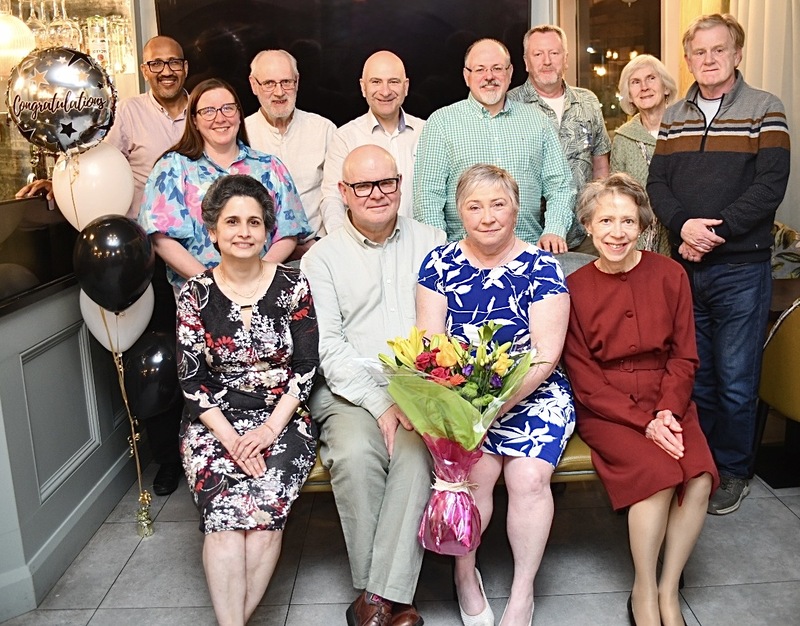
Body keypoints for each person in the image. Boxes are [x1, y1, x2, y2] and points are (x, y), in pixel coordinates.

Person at [17, 35, 191, 496]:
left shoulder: (207, 109)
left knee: (205, 355)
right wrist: (54, 182)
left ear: (186, 66)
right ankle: (167, 458)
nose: (166, 70)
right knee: (153, 356)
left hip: (199, 254)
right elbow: (92, 160)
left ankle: (206, 449)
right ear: (145, 69)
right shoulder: (127, 114)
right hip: (144, 257)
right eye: (156, 64)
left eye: (173, 62)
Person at [416, 164, 575, 626]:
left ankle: (523, 593)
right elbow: (430, 347)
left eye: (498, 205)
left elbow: (545, 356)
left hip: (534, 393)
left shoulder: (542, 267)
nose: (487, 217)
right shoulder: (438, 263)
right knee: (474, 476)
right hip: (462, 397)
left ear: (516, 209)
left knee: (529, 479)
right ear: (459, 212)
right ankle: (465, 576)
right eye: (474, 206)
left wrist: (496, 407)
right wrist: (467, 408)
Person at [647, 13, 791, 515]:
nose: (708, 59)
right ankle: (702, 464)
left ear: (737, 54)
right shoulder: (674, 116)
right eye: (699, 52)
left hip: (740, 270)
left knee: (735, 379)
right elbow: (657, 184)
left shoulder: (765, 108)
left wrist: (713, 234)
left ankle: (733, 472)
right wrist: (683, 226)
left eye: (718, 50)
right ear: (688, 59)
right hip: (685, 267)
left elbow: (769, 187)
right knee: (697, 374)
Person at [562, 174, 719, 626]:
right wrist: (644, 422)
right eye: (605, 221)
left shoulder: (670, 274)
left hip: (669, 398)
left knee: (699, 476)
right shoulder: (572, 288)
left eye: (628, 221)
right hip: (607, 408)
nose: (617, 232)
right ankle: (644, 591)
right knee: (657, 475)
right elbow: (585, 381)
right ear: (587, 226)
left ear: (643, 226)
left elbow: (685, 356)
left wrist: (667, 411)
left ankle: (669, 589)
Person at [301, 145, 445, 626]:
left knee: (416, 454)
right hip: (347, 389)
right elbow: (327, 346)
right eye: (363, 185)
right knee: (356, 455)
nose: (376, 194)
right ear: (344, 192)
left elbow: (443, 329)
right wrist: (381, 404)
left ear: (400, 185)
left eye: (386, 182)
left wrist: (413, 394)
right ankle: (391, 599)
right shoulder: (320, 258)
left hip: (416, 387)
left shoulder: (433, 241)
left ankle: (375, 601)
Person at [176, 174, 318, 626]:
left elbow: (306, 367)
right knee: (224, 520)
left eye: (254, 222)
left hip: (282, 417)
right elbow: (192, 380)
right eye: (232, 221)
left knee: (263, 517)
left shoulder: (294, 285)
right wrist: (233, 439)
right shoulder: (195, 294)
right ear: (213, 231)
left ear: (267, 231)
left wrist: (268, 430)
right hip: (213, 421)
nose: (243, 231)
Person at [138, 78, 312, 295]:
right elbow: (161, 238)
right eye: (208, 111)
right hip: (200, 293)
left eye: (228, 108)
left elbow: (289, 231)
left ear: (239, 114)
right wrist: (212, 284)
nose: (220, 118)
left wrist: (257, 279)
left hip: (262, 291)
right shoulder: (172, 167)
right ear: (194, 120)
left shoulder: (270, 167)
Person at [413, 38, 576, 253]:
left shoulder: (537, 121)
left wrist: (554, 229)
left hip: (528, 250)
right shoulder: (441, 123)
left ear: (510, 73)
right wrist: (440, 251)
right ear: (466, 76)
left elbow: (560, 185)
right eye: (480, 69)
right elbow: (427, 196)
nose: (489, 76)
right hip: (463, 254)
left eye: (497, 68)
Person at [507, 24, 611, 254]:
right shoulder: (509, 105)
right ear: (526, 62)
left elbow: (600, 164)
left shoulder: (588, 102)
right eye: (538, 54)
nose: (547, 61)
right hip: (526, 236)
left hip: (585, 234)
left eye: (554, 53)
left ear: (566, 59)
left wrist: (600, 214)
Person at [319, 51, 424, 234]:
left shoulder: (427, 132)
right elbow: (332, 198)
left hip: (420, 242)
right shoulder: (345, 137)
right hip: (364, 244)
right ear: (363, 87)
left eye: (393, 81)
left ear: (406, 86)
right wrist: (342, 242)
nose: (385, 91)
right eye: (376, 82)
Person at [245, 49, 336, 256]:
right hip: (259, 256)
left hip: (318, 250)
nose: (279, 92)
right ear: (253, 85)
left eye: (286, 82)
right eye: (269, 83)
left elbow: (337, 196)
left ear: (297, 81)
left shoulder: (323, 130)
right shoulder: (242, 134)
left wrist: (326, 244)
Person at [610, 54, 677, 255]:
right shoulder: (623, 138)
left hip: (682, 235)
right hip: (638, 239)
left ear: (666, 87)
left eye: (651, 78)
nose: (644, 87)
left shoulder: (685, 129)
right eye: (636, 82)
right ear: (629, 95)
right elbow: (617, 196)